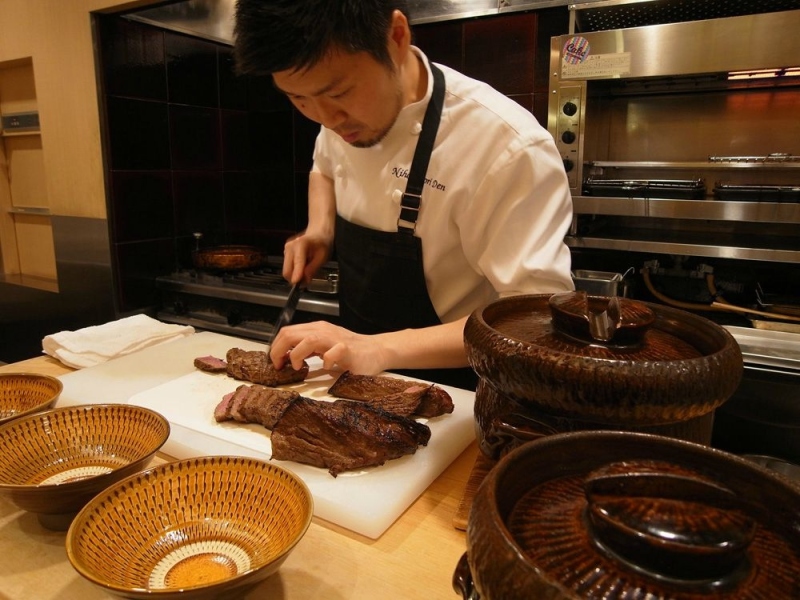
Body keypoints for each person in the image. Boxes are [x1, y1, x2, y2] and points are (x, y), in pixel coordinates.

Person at [234, 0, 574, 389]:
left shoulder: (507, 147)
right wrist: (319, 230)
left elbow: (533, 319)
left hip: (460, 392)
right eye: (298, 99)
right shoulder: (342, 116)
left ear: (395, 37)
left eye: (339, 93)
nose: (325, 118)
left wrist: (379, 349)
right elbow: (324, 168)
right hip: (355, 378)